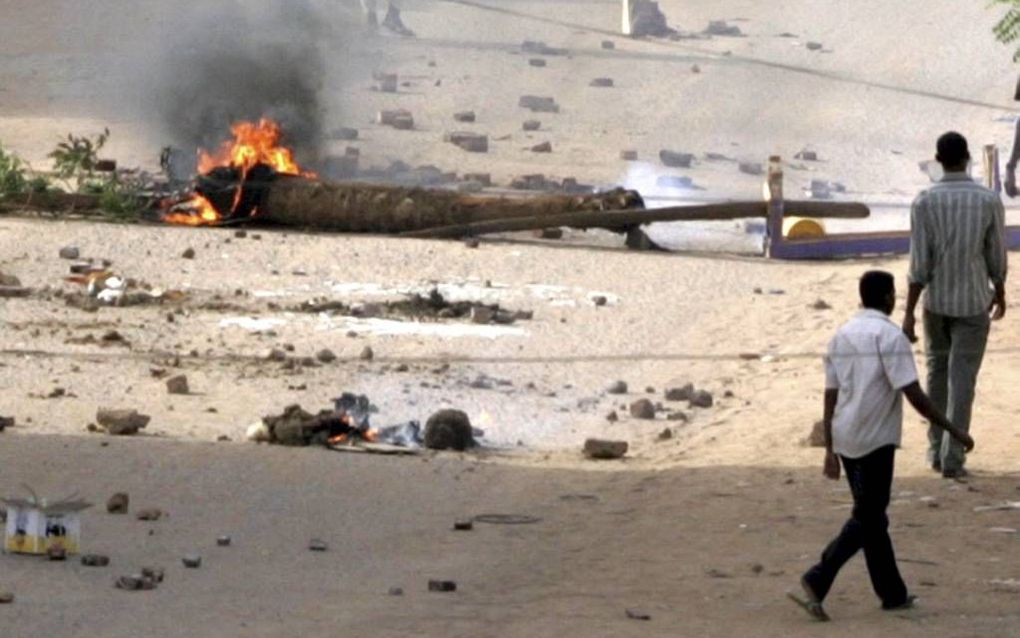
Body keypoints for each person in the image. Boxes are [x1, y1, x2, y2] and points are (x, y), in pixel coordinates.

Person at [789, 271, 975, 622]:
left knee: (872, 515)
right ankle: (818, 577)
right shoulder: (890, 336)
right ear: (889, 297)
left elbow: (830, 394)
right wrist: (954, 431)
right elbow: (915, 395)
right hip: (875, 440)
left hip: (846, 437)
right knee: (868, 516)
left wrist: (830, 447)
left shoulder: (841, 335)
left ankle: (893, 593)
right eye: (894, 294)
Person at [903, 131, 1007, 479]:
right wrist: (1000, 287)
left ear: (939, 160)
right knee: (963, 379)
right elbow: (995, 252)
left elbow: (919, 265)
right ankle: (953, 457)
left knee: (937, 374)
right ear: (966, 159)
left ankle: (936, 449)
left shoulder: (924, 201)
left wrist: (908, 314)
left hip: (936, 301)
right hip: (974, 301)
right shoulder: (987, 200)